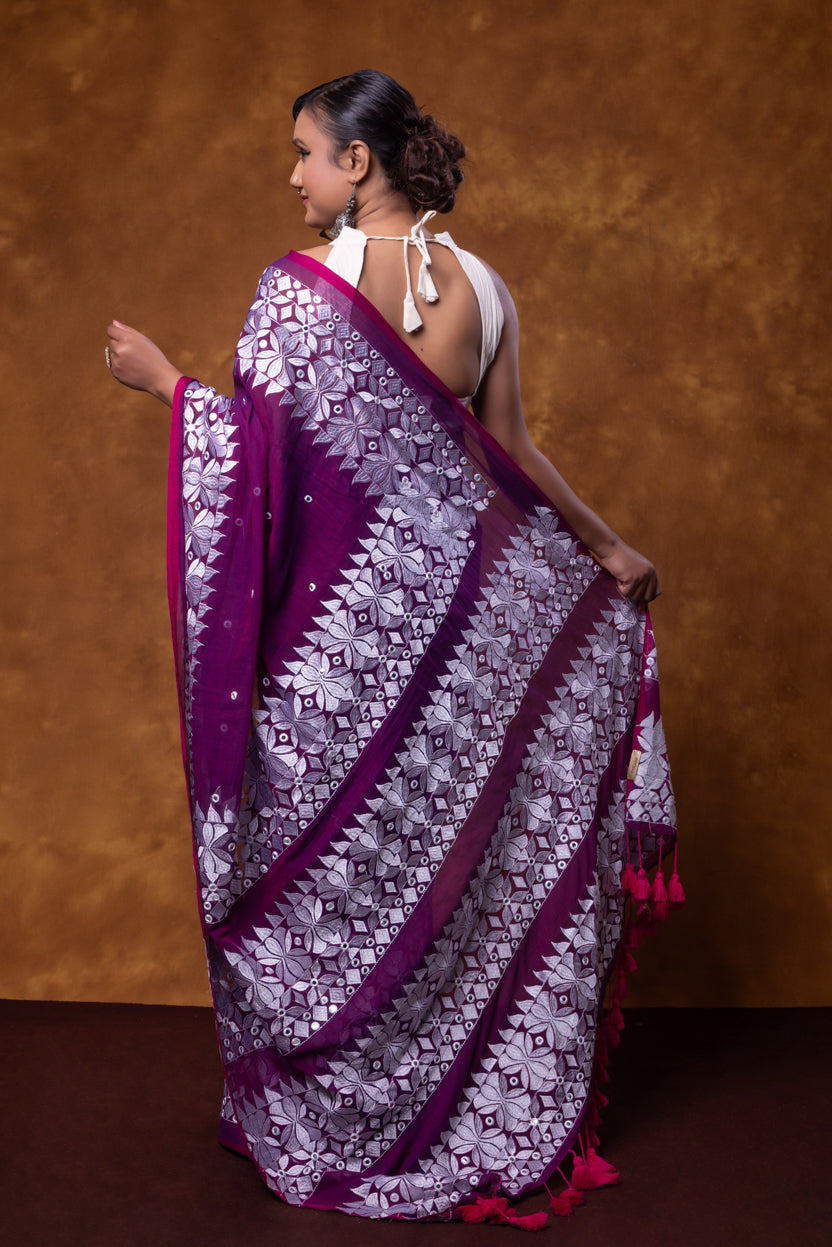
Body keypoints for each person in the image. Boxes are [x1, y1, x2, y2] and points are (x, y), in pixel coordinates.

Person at [106, 70, 676, 1224]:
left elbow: (257, 471)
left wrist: (169, 388)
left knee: (337, 886)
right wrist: (608, 550)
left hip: (340, 665)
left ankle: (348, 1117)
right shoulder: (488, 288)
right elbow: (515, 454)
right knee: (445, 873)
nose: (294, 175)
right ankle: (460, 1103)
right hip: (466, 651)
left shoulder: (299, 293)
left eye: (306, 154)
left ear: (357, 163)